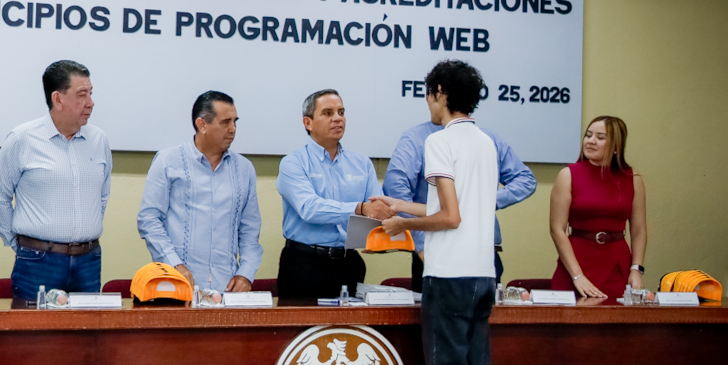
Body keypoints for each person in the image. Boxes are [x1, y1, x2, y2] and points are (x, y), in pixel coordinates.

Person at [380, 60, 498, 365]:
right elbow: (459, 205)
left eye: (429, 94)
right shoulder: (485, 142)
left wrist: (401, 225)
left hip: (448, 278)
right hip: (482, 275)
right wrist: (401, 205)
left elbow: (449, 216)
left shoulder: (439, 141)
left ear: (440, 93)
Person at [0, 60, 112, 300]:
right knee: (33, 326)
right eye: (82, 95)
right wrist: (19, 245)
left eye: (91, 93)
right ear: (58, 99)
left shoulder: (99, 140)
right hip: (38, 262)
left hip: (89, 261)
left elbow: (102, 197)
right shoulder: (22, 139)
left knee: (86, 326)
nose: (90, 103)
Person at [383, 120, 536, 291]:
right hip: (436, 249)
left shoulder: (487, 139)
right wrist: (421, 245)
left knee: (485, 308)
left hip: (483, 250)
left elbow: (525, 180)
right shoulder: (418, 138)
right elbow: (395, 189)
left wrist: (482, 201)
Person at [137, 91, 262, 292]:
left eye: (235, 122)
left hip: (227, 287)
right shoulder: (168, 161)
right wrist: (174, 265)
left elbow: (250, 229)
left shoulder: (244, 169)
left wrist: (245, 274)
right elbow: (149, 220)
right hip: (178, 283)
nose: (233, 129)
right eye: (225, 122)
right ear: (202, 124)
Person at [275, 89, 394, 300]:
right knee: (302, 323)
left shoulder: (362, 164)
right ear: (308, 123)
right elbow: (309, 209)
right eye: (328, 113)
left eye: (341, 112)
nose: (338, 118)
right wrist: (359, 208)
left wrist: (383, 228)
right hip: (304, 263)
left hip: (349, 263)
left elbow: (377, 210)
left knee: (350, 322)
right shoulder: (293, 163)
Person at [549, 115, 646, 300]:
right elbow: (557, 229)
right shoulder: (568, 175)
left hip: (617, 263)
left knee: (617, 316)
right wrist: (577, 276)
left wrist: (636, 268)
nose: (591, 141)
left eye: (600, 137)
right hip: (576, 262)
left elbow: (639, 229)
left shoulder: (633, 179)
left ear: (616, 146)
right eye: (588, 135)